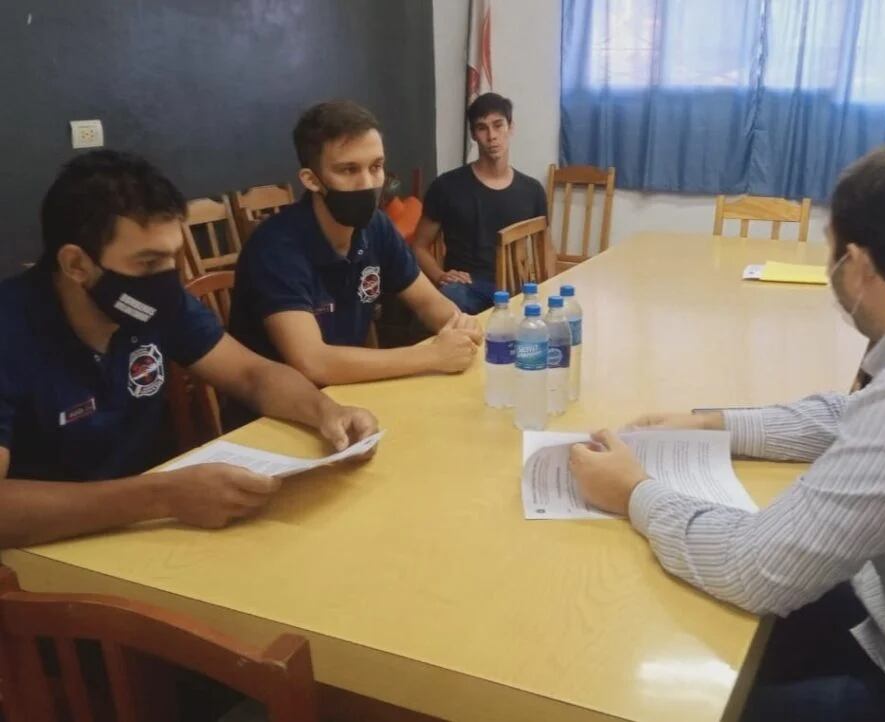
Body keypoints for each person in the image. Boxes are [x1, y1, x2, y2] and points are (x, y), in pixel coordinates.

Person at [569, 144, 885, 722]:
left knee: (677, 700)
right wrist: (715, 423)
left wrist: (633, 492)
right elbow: (853, 416)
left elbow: (753, 568)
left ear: (857, 268)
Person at [0, 150, 378, 549]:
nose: (165, 280)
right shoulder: (12, 330)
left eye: (172, 258)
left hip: (140, 533)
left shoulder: (156, 305)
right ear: (76, 264)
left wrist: (326, 412)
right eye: (147, 263)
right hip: (40, 560)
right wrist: (161, 496)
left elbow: (252, 374)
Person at [230, 100, 481, 386]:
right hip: (274, 414)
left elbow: (427, 302)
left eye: (376, 167)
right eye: (348, 170)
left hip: (348, 393)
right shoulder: (275, 248)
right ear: (312, 180)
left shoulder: (376, 226)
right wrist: (433, 356)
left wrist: (459, 326)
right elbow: (313, 362)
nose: (367, 183)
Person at [411, 93, 554, 314]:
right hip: (466, 288)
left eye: (498, 126)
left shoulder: (532, 190)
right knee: (446, 303)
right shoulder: (446, 186)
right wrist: (440, 276)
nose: (492, 136)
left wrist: (547, 288)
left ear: (511, 127)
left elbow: (545, 248)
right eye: (482, 128)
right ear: (473, 135)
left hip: (515, 289)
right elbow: (419, 246)